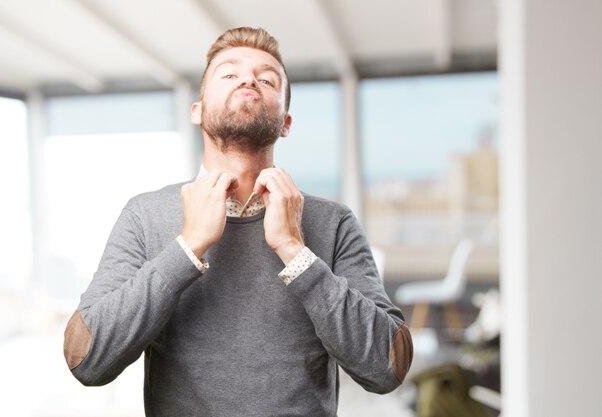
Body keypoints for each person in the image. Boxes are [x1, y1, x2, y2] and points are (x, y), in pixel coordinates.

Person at [63, 27, 413, 416]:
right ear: (196, 111)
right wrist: (187, 247)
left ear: (286, 123)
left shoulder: (334, 223)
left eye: (267, 79)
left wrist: (296, 253)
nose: (248, 79)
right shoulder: (144, 215)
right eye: (228, 74)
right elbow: (87, 359)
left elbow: (388, 367)